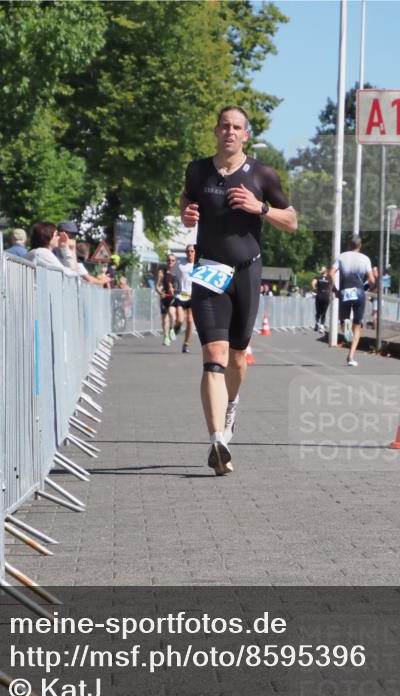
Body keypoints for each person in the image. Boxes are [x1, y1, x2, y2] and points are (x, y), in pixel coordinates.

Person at [180, 105, 297, 475]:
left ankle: (232, 405)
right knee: (212, 356)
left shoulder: (262, 173)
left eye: (237, 127)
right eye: (225, 126)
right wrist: (186, 213)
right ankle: (217, 441)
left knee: (237, 356)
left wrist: (259, 207)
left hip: (247, 272)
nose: (230, 132)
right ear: (216, 131)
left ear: (246, 135)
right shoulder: (198, 170)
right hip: (209, 271)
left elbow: (292, 221)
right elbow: (186, 198)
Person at [329, 235, 376, 366]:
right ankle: (351, 356)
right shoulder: (365, 259)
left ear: (349, 246)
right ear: (359, 246)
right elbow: (372, 280)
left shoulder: (341, 256)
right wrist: (369, 286)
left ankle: (345, 328)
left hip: (344, 291)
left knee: (343, 321)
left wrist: (334, 287)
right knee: (357, 325)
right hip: (359, 292)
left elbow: (331, 273)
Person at [175, 244, 197, 353]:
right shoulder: (180, 264)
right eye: (188, 251)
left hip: (193, 296)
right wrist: (170, 286)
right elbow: (170, 275)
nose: (190, 253)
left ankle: (186, 344)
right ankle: (177, 326)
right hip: (181, 295)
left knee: (190, 320)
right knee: (180, 319)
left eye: (192, 251)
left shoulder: (198, 264)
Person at [156, 258, 176, 344]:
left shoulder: (177, 271)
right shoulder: (161, 272)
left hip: (173, 297)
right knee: (164, 319)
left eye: (172, 260)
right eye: (168, 260)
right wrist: (160, 293)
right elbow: (157, 286)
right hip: (164, 297)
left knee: (172, 314)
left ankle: (172, 329)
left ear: (175, 262)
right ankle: (166, 337)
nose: (170, 262)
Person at [312, 266, 331, 333]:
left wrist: (315, 289)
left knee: (318, 311)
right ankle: (322, 326)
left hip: (319, 295)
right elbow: (332, 285)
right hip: (326, 295)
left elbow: (313, 283)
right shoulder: (329, 278)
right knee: (324, 312)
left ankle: (317, 323)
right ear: (326, 271)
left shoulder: (317, 277)